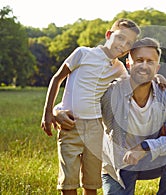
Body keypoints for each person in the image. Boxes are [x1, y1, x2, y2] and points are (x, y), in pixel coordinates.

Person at [40, 18, 140, 195]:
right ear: (108, 35)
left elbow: (136, 83)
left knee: (92, 181)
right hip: (70, 124)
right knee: (68, 182)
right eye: (120, 38)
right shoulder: (83, 53)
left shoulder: (118, 69)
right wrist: (48, 112)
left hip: (95, 127)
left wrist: (160, 79)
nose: (123, 45)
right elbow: (57, 79)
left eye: (129, 43)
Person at [100, 37, 166, 195]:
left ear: (157, 67)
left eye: (150, 61)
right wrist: (57, 111)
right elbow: (80, 103)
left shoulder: (165, 95)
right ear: (129, 64)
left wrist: (145, 147)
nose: (144, 65)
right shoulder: (111, 93)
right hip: (117, 166)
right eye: (139, 60)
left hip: (149, 159)